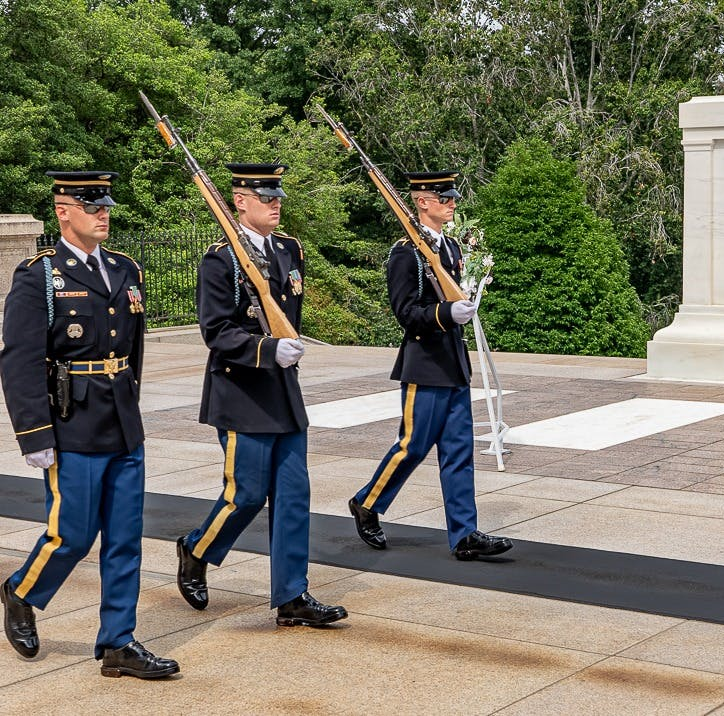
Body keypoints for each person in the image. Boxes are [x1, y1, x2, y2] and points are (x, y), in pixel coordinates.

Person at [0, 171, 179, 678]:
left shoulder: (125, 268)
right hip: (71, 423)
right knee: (72, 535)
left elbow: (133, 348)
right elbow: (19, 360)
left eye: (105, 205)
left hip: (122, 420)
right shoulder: (41, 276)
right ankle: (22, 591)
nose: (103, 213)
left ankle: (118, 642)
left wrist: (132, 403)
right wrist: (34, 433)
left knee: (125, 537)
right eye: (90, 205)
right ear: (63, 211)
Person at [174, 163, 347, 627]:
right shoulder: (221, 258)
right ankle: (196, 549)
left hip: (283, 394)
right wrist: (269, 349)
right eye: (264, 196)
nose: (275, 203)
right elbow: (217, 331)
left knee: (293, 495)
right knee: (246, 494)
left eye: (277, 196)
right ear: (239, 202)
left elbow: (286, 314)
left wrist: (286, 346)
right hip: (241, 392)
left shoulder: (290, 250)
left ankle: (292, 595)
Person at [348, 170, 513, 561]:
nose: (452, 202)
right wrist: (446, 313)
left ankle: (464, 534)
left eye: (452, 196)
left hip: (453, 363)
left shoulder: (452, 248)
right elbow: (406, 312)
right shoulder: (406, 252)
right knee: (412, 446)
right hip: (423, 366)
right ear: (422, 202)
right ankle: (367, 503)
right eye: (444, 197)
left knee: (459, 451)